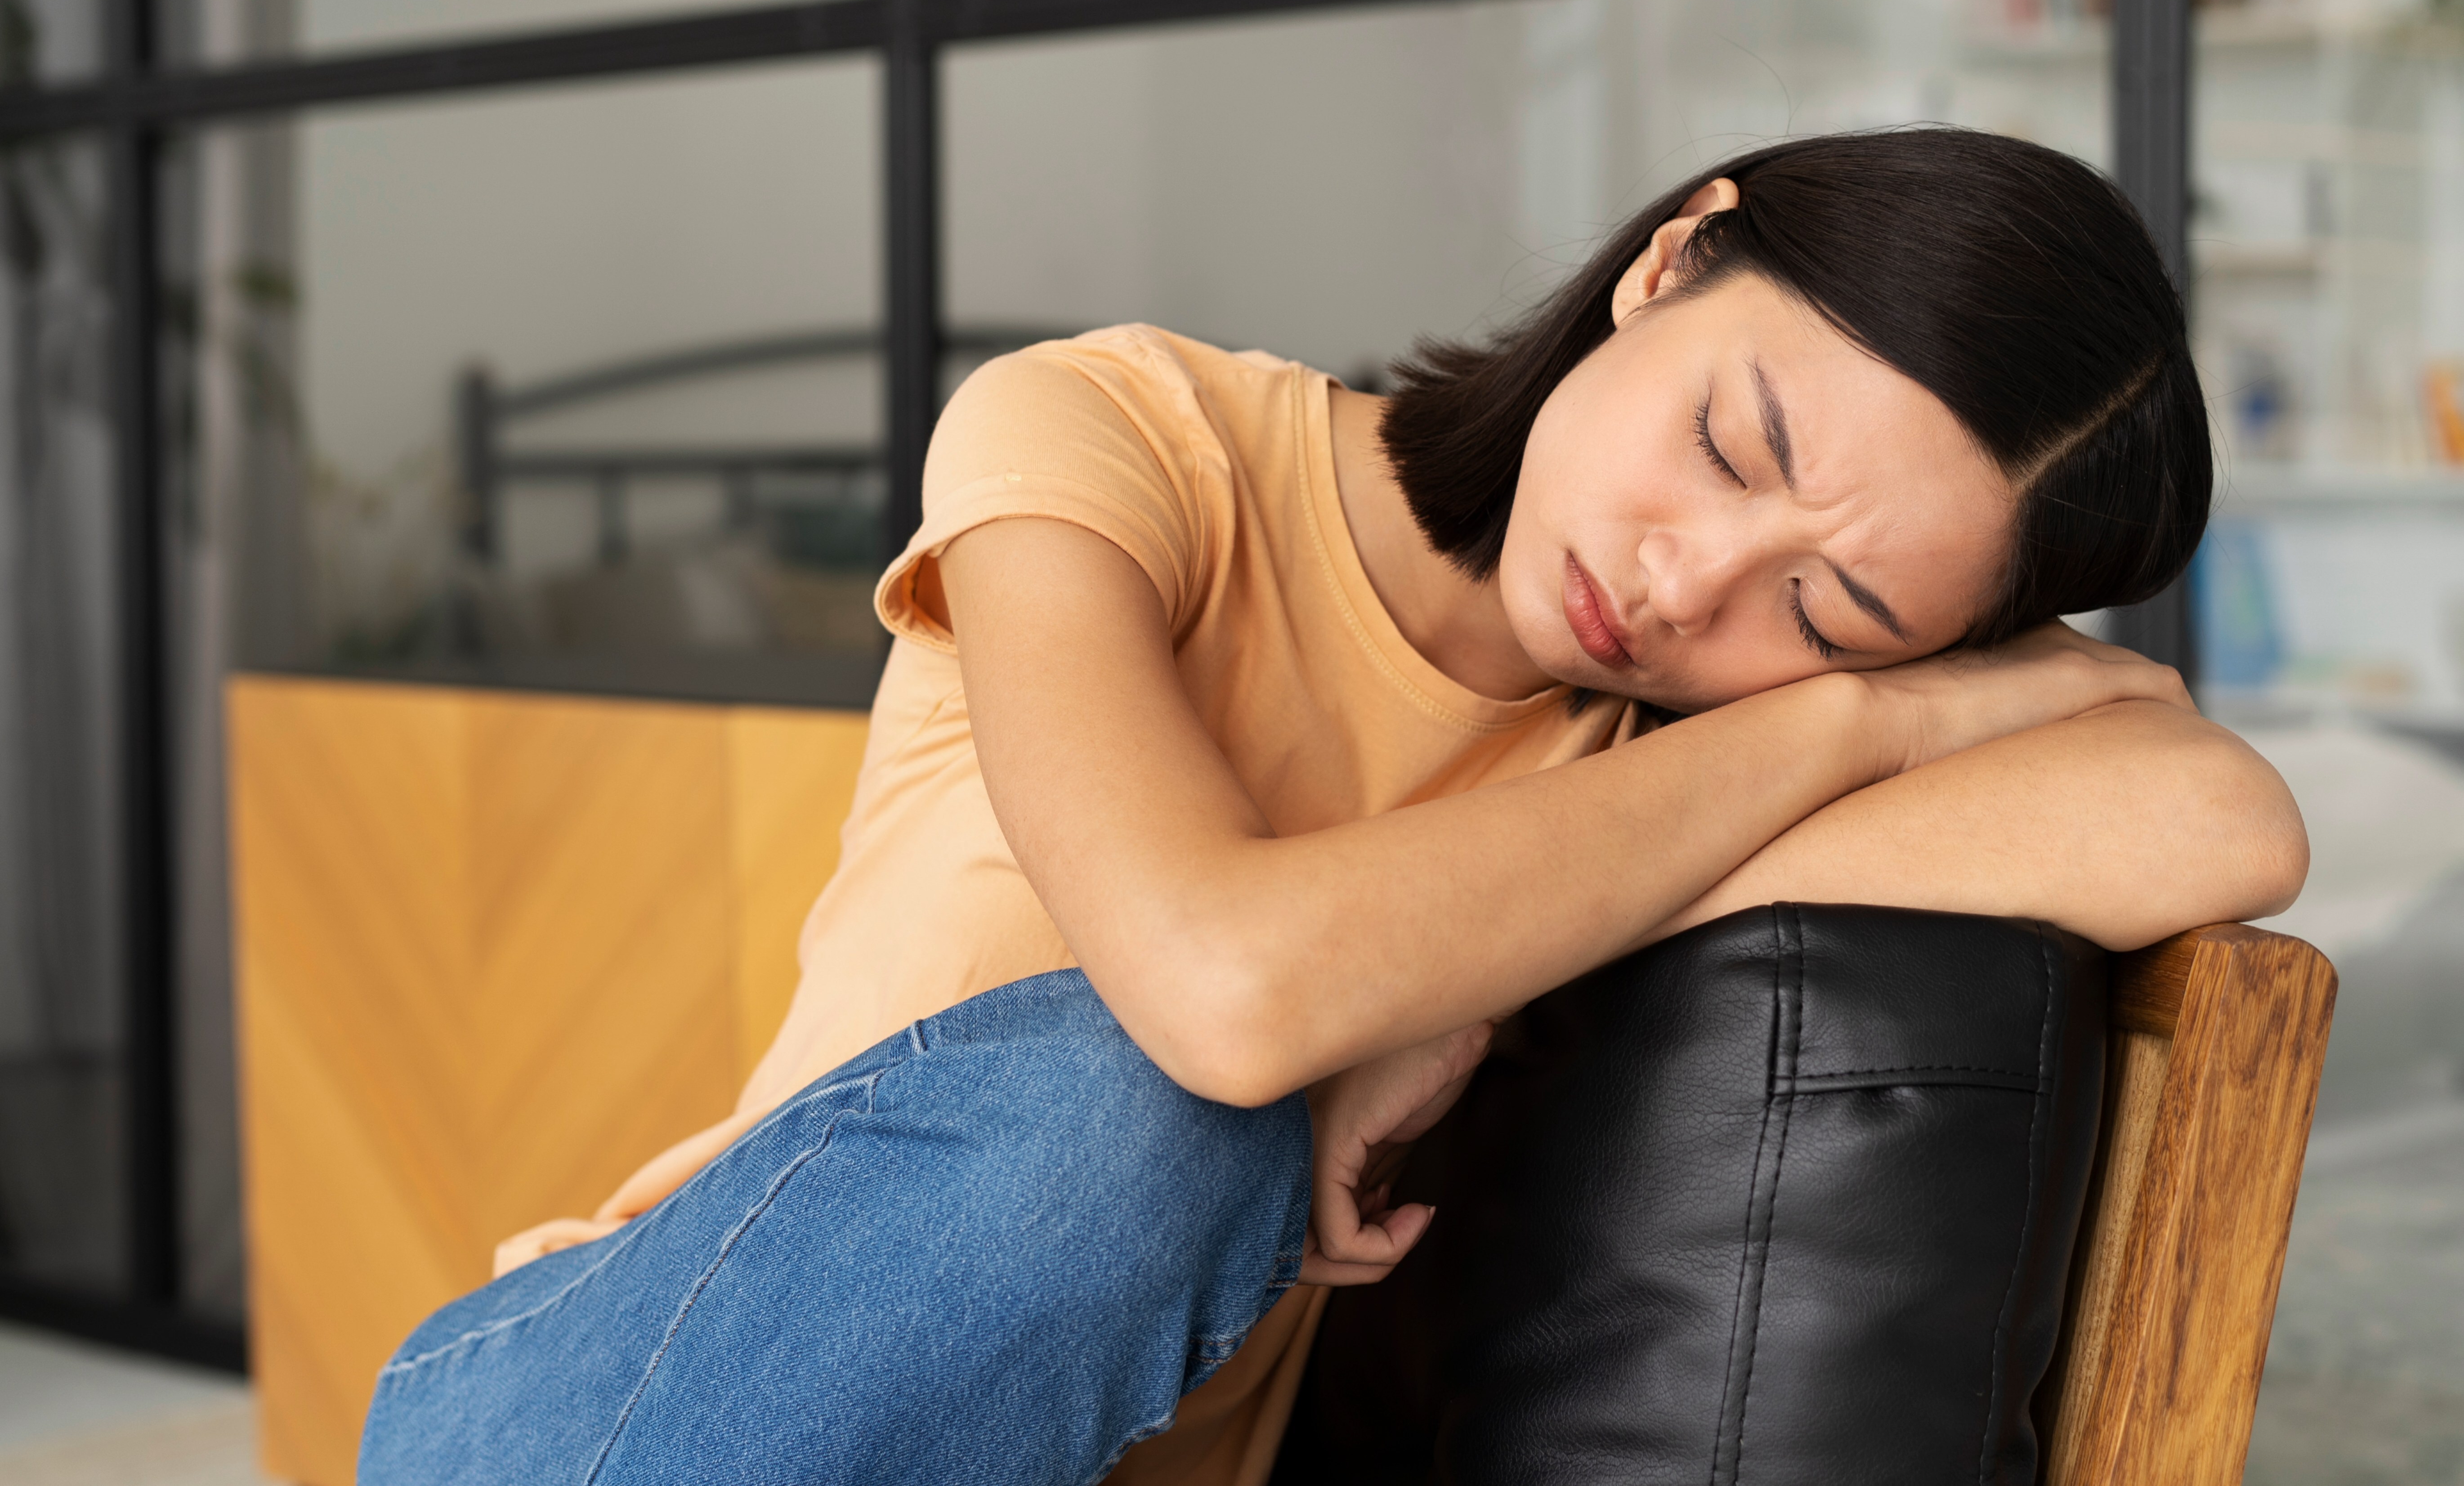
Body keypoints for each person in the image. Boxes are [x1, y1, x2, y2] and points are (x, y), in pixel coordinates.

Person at [358, 128, 2307, 1486]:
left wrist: (1471, 968)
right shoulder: (1119, 433)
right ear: (1670, 254)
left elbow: (2221, 818)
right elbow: (1221, 986)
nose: (1686, 578)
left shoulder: (1638, 779)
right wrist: (1838, 732)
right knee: (1144, 1111)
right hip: (606, 1399)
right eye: (1728, 439)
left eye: (1830, 610)